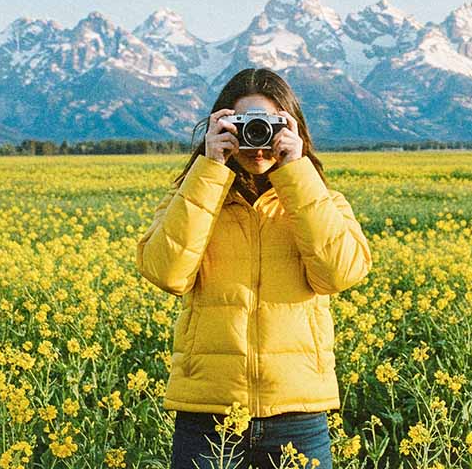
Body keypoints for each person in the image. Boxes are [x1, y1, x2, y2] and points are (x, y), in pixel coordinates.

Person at [136, 67, 373, 469]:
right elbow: (167, 273)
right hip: (208, 413)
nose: (258, 141)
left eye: (270, 126)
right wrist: (210, 168)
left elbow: (339, 274)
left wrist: (296, 172)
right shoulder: (192, 196)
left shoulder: (321, 200)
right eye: (245, 126)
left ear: (293, 129)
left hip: (297, 414)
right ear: (220, 127)